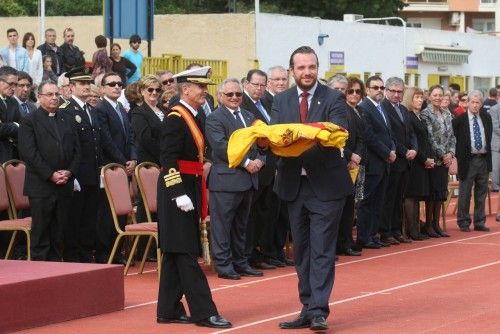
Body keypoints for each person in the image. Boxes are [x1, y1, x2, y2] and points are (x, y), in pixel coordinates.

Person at [272, 46, 352, 331]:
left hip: (327, 188)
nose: (307, 72)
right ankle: (307, 307)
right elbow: (275, 138)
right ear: (291, 70)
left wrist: (301, 135)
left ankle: (319, 310)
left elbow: (337, 132)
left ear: (318, 69)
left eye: (312, 67)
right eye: (301, 68)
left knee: (321, 250)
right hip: (294, 186)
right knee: (302, 251)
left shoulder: (334, 97)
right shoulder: (280, 101)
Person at [156, 65, 232, 329]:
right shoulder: (176, 118)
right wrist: (177, 192)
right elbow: (167, 159)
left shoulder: (194, 115)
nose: (204, 91)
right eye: (200, 87)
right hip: (178, 190)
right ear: (185, 89)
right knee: (186, 253)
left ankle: (168, 309)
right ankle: (204, 312)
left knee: (176, 252)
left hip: (191, 185)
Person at [206, 77, 265, 279]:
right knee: (222, 226)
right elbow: (221, 147)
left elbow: (261, 142)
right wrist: (248, 163)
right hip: (226, 181)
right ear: (220, 96)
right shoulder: (215, 118)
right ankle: (223, 264)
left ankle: (241, 262)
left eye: (238, 94)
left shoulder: (249, 116)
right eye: (229, 94)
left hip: (248, 180)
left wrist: (260, 160)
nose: (234, 97)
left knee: (242, 225)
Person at [18, 81, 80, 261]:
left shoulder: (66, 118)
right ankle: (40, 271)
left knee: (60, 231)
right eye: (49, 95)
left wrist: (70, 172)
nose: (54, 98)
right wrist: (50, 174)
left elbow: (77, 150)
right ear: (39, 97)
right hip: (41, 185)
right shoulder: (29, 120)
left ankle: (56, 268)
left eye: (56, 94)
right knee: (41, 231)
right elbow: (28, 153)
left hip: (64, 184)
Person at [94, 72, 137, 264]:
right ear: (102, 88)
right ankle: (105, 252)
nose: (117, 87)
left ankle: (118, 251)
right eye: (111, 84)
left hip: (124, 167)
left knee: (120, 210)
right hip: (110, 168)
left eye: (119, 83)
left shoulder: (121, 107)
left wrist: (133, 159)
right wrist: (122, 162)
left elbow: (131, 137)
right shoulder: (101, 108)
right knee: (106, 211)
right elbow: (106, 141)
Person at [241, 69, 279, 270]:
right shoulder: (243, 105)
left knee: (263, 213)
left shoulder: (267, 103)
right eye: (256, 84)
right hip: (253, 166)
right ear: (246, 83)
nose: (259, 88)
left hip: (269, 165)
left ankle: (258, 252)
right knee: (250, 214)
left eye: (263, 85)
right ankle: (246, 255)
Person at [356, 75, 396, 249]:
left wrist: (392, 149)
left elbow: (388, 133)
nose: (379, 90)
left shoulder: (382, 108)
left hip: (384, 162)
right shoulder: (365, 108)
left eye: (381, 87)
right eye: (375, 87)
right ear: (368, 90)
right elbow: (369, 136)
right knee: (367, 202)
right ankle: (364, 237)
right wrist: (387, 152)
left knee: (378, 201)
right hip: (372, 163)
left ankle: (373, 234)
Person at [379, 77, 417, 245]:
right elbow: (391, 135)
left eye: (399, 91)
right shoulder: (383, 108)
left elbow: (412, 133)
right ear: (386, 91)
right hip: (394, 160)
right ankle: (386, 231)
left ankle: (396, 229)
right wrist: (404, 150)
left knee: (399, 198)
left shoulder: (403, 109)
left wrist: (414, 149)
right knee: (389, 198)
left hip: (407, 162)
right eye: (392, 91)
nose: (395, 94)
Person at [333, 76, 365, 256]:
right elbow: (335, 140)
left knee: (348, 206)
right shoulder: (336, 110)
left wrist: (356, 156)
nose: (352, 94)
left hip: (353, 164)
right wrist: (349, 155)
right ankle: (340, 243)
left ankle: (346, 242)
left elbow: (360, 137)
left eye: (356, 91)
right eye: (348, 91)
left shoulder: (354, 111)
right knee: (340, 207)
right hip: (339, 164)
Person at [452, 90, 492, 232]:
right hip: (468, 160)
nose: (475, 105)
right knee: (465, 192)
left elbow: (489, 137)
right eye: (473, 102)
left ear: (481, 104)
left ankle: (479, 221)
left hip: (483, 159)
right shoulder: (459, 120)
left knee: (481, 193)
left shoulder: (486, 118)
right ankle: (463, 221)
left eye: (478, 102)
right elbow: (454, 141)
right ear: (467, 103)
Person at [420, 85, 456, 238]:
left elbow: (452, 136)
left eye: (440, 95)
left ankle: (436, 223)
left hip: (445, 160)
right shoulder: (425, 114)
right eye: (435, 95)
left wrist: (451, 153)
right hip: (434, 159)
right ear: (429, 96)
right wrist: (443, 154)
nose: (438, 98)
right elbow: (430, 138)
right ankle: (429, 225)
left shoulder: (447, 114)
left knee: (441, 193)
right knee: (432, 193)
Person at [401, 87, 433, 241]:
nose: (420, 100)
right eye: (417, 97)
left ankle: (415, 227)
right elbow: (412, 142)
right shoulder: (408, 116)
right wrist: (423, 158)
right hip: (414, 161)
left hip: (421, 162)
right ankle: (411, 229)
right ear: (409, 98)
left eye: (421, 97)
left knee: (416, 196)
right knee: (410, 195)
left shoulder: (418, 116)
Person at [130, 74, 163, 165]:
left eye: (157, 90)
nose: (154, 92)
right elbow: (145, 139)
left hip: (167, 160)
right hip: (150, 162)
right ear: (142, 91)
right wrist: (164, 155)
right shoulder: (138, 112)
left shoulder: (164, 110)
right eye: (150, 89)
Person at [0, 66, 21, 162]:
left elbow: (21, 125)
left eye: (16, 85)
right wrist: (15, 125)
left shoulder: (13, 102)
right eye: (11, 84)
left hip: (12, 154)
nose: (13, 88)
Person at [489, 102, 500, 194]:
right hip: (497, 143)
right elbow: (495, 127)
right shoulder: (494, 109)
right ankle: (495, 186)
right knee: (495, 167)